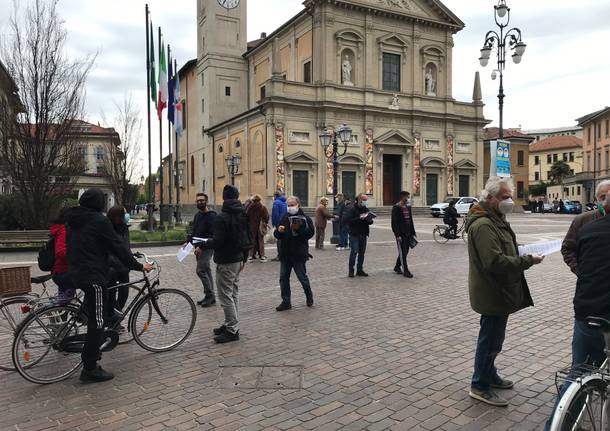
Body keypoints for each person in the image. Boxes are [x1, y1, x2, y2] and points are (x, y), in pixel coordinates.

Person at [466, 177, 544, 406]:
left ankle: (489, 374)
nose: (509, 201)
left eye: (510, 195)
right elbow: (494, 262)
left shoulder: (496, 218)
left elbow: (503, 249)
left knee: (495, 340)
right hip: (491, 292)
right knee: (489, 340)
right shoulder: (483, 225)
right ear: (490, 198)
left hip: (499, 291)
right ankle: (479, 385)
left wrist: (522, 252)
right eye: (504, 197)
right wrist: (527, 261)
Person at [66, 188, 152, 382]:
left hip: (77, 271)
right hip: (93, 276)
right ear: (98, 203)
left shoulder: (73, 219)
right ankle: (90, 368)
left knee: (98, 311)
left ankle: (98, 332)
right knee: (98, 322)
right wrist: (139, 266)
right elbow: (117, 246)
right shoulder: (99, 220)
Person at [544, 192, 610, 430]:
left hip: (587, 310)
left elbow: (578, 257)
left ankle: (557, 424)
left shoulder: (587, 230)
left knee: (579, 371)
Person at [201, 185, 248, 344]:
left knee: (225, 296)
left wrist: (204, 243)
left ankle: (232, 329)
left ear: (224, 197)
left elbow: (218, 242)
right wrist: (244, 258)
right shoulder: (242, 213)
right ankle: (230, 323)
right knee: (233, 293)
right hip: (238, 259)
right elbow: (247, 238)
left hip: (226, 260)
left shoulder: (222, 217)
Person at [274, 196, 315, 311]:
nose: (290, 207)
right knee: (283, 278)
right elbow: (277, 235)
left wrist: (298, 229)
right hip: (285, 253)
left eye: (292, 205)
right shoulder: (284, 217)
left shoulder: (305, 218)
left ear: (298, 205)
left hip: (298, 253)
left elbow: (310, 233)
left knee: (302, 277)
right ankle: (286, 301)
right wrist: (278, 231)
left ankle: (309, 296)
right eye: (289, 205)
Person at [561, 180, 610, 274]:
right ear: (596, 200)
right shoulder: (582, 220)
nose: (606, 201)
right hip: (592, 282)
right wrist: (580, 271)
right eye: (603, 197)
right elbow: (567, 248)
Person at [189, 193, 217, 307]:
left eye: (202, 200)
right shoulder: (198, 215)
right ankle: (210, 295)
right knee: (206, 270)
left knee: (200, 270)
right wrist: (188, 242)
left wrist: (201, 247)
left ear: (206, 201)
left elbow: (213, 235)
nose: (199, 202)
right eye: (198, 201)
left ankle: (210, 295)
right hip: (198, 247)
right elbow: (194, 231)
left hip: (207, 247)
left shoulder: (212, 216)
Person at [106, 206, 132, 316]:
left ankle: (115, 318)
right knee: (110, 297)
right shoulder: (108, 229)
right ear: (117, 216)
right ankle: (111, 321)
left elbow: (125, 247)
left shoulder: (125, 228)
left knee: (124, 295)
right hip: (112, 269)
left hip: (124, 268)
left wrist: (130, 256)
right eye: (124, 213)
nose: (127, 215)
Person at [49, 207, 76, 304]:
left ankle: (60, 315)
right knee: (89, 283)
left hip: (60, 270)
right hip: (64, 271)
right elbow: (60, 252)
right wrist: (77, 256)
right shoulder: (64, 230)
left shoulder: (61, 228)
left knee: (64, 301)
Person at [344, 193, 374, 277]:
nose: (365, 202)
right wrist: (359, 218)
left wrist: (369, 220)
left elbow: (370, 222)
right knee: (354, 251)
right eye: (364, 200)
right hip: (354, 234)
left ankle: (359, 269)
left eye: (366, 200)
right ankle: (351, 270)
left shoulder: (366, 209)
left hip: (363, 233)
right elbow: (347, 220)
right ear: (359, 200)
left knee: (362, 253)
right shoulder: (352, 209)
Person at [391, 191, 416, 278]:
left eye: (408, 197)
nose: (408, 199)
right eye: (407, 197)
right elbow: (394, 222)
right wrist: (397, 235)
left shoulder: (408, 207)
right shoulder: (396, 207)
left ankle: (397, 266)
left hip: (408, 233)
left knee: (406, 251)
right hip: (401, 234)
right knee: (403, 252)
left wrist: (413, 232)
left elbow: (410, 220)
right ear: (402, 197)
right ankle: (406, 271)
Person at [246, 194, 270, 262]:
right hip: (260, 226)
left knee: (252, 240)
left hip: (252, 226)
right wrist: (265, 222)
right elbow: (266, 217)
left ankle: (251, 255)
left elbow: (246, 216)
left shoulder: (250, 207)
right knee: (260, 240)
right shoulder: (262, 207)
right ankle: (262, 255)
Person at [271, 192, 287, 261]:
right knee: (284, 239)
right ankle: (283, 254)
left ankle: (280, 255)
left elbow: (275, 214)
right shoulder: (285, 202)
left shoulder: (276, 203)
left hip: (279, 223)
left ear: (275, 196)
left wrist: (274, 224)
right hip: (285, 222)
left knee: (279, 240)